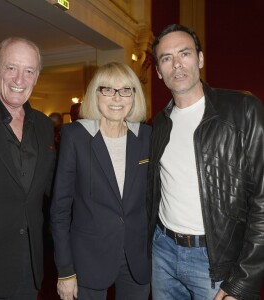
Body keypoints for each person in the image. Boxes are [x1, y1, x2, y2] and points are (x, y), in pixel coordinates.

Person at [147, 24, 264, 300]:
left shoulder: (243, 110)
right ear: (159, 72)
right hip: (163, 251)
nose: (176, 64)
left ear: (200, 59)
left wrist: (243, 280)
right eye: (166, 58)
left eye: (184, 53)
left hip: (216, 262)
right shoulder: (159, 124)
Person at [0, 37, 56, 299]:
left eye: (29, 71)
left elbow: (54, 188)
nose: (19, 79)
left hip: (28, 272)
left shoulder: (44, 126)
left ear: (37, 76)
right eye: (11, 68)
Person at [51, 62, 151, 300]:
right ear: (95, 95)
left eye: (126, 89)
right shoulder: (75, 136)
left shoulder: (146, 136)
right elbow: (60, 210)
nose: (117, 98)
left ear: (134, 96)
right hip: (88, 259)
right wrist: (65, 271)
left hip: (136, 259)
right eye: (107, 89)